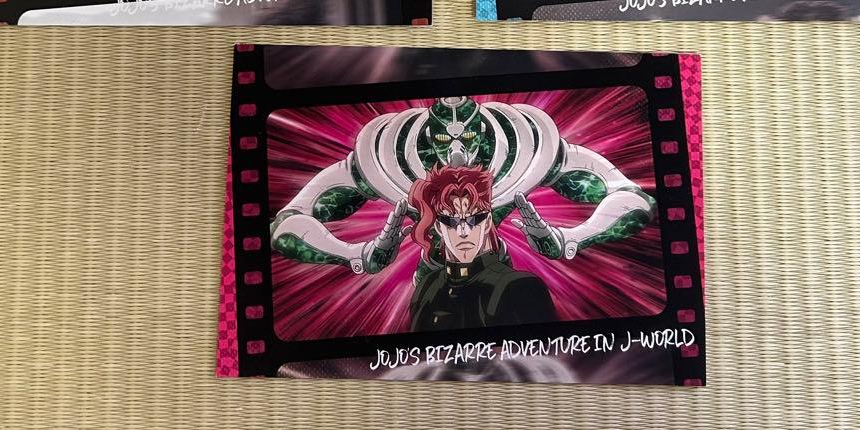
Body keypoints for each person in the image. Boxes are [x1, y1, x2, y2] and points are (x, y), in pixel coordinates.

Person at [269, 95, 656, 275]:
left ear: (484, 133)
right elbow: (287, 224)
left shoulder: (530, 150)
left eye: (468, 139)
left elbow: (633, 200)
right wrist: (359, 254)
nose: (457, 152)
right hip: (432, 283)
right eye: (444, 140)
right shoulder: (382, 159)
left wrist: (567, 240)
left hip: (499, 278)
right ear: (428, 137)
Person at [408, 166, 557, 332]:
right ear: (438, 227)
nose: (463, 232)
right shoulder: (426, 287)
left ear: (487, 222)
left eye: (474, 219)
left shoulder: (521, 287)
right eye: (451, 221)